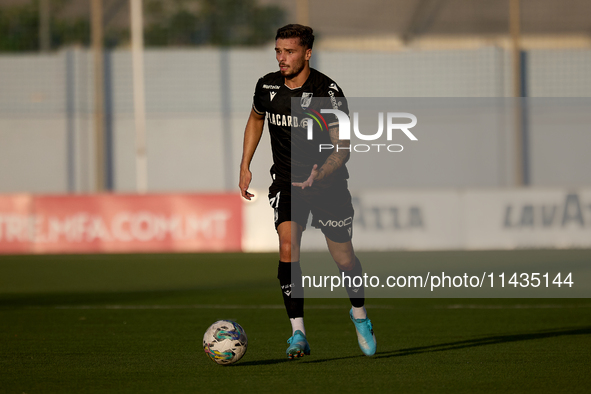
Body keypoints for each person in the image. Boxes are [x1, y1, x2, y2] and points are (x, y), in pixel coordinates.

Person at [239, 24, 376, 359]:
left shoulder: (327, 93)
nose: (281, 58)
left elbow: (342, 147)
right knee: (288, 245)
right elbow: (257, 118)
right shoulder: (268, 85)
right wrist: (245, 164)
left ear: (307, 53)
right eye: (278, 51)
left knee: (344, 259)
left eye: (289, 52)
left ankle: (359, 315)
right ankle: (298, 333)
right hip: (286, 182)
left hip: (327, 185)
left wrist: (323, 171)